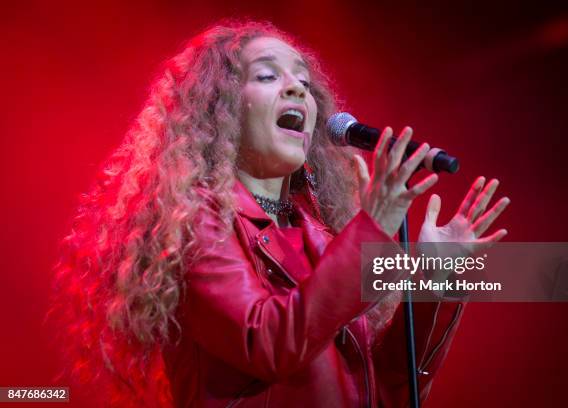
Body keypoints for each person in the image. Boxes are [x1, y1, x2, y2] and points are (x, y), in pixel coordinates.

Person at [50, 20, 509, 407]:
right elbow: (268, 343)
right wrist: (373, 230)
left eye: (305, 85)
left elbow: (388, 392)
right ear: (219, 108)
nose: (296, 88)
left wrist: (432, 280)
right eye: (268, 76)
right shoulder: (195, 222)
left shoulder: (318, 234)